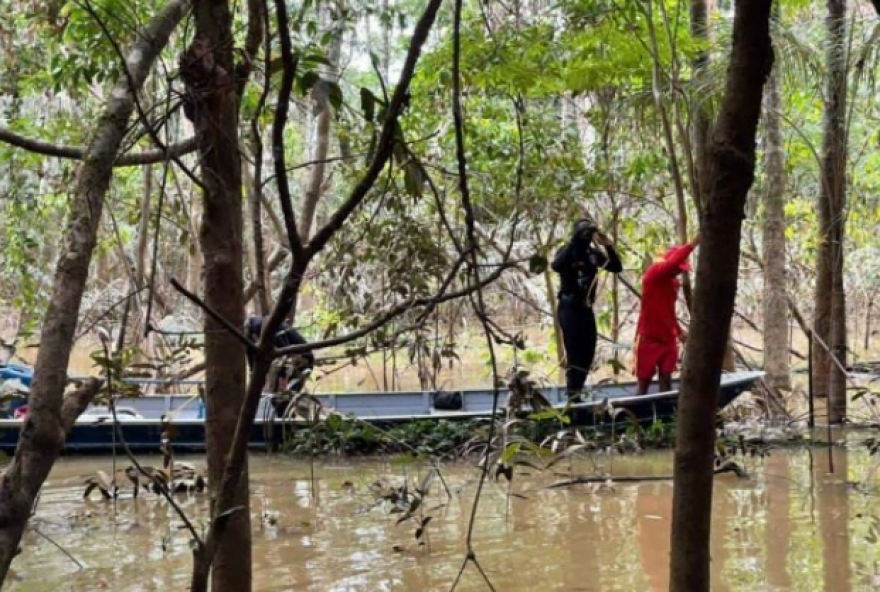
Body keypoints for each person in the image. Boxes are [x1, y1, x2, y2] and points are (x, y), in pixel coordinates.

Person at [552, 218, 623, 397]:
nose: (585, 237)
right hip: (569, 307)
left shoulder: (592, 254)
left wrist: (607, 246)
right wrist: (573, 241)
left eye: (588, 233)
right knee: (574, 352)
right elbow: (556, 266)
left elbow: (616, 267)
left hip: (586, 309)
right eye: (582, 233)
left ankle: (578, 391)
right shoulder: (567, 251)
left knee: (588, 351)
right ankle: (572, 395)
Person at [634, 235, 700, 396]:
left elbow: (667, 312)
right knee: (644, 383)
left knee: (666, 378)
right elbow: (671, 262)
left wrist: (678, 331)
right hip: (648, 337)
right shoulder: (653, 275)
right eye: (678, 267)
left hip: (667, 338)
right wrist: (693, 243)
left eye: (681, 269)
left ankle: (668, 416)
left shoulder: (673, 284)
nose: (678, 271)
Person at [244, 315, 315, 415]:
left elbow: (283, 353)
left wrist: (282, 377)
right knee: (278, 397)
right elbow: (251, 359)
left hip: (301, 359)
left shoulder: (266, 328)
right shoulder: (249, 336)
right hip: (288, 362)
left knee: (281, 398)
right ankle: (286, 419)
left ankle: (289, 420)